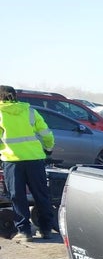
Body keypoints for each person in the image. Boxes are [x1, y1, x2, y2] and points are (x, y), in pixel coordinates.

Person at [0, 85, 55, 242]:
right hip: (35, 159)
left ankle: (24, 232)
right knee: (41, 195)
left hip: (12, 161)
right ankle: (46, 229)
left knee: (17, 197)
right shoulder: (30, 111)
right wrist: (49, 149)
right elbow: (46, 133)